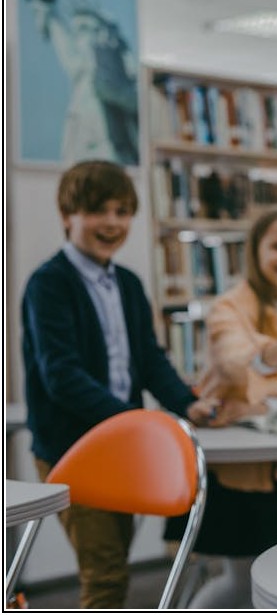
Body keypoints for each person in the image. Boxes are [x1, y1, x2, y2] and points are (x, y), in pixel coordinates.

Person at [21, 160, 219, 609]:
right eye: (97, 211)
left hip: (122, 447)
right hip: (72, 448)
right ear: (67, 215)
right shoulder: (48, 284)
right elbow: (62, 376)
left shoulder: (127, 283)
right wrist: (136, 421)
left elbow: (149, 359)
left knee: (115, 565)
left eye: (122, 211)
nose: (112, 222)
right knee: (106, 574)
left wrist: (188, 404)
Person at [164, 206, 277, 609]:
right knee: (243, 584)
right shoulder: (229, 307)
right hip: (238, 471)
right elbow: (234, 364)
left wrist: (269, 396)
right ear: (255, 250)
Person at [22, 0, 139, 165]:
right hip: (81, 146)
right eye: (76, 31)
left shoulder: (119, 72)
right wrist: (47, 12)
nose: (79, 37)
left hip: (112, 151)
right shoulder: (81, 74)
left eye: (85, 29)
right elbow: (71, 56)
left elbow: (126, 94)